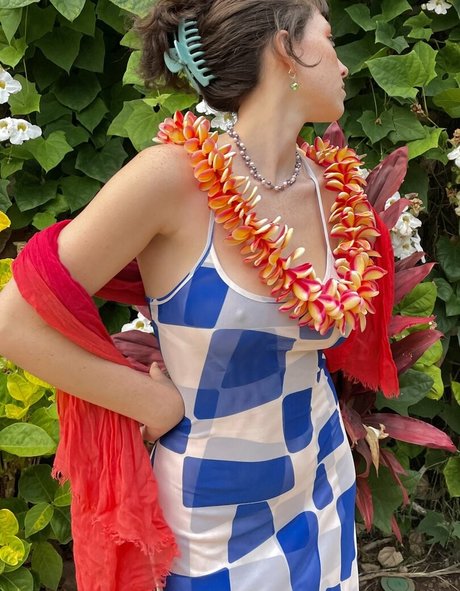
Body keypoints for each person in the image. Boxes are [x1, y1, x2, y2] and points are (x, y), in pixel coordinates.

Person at [0, 1, 398, 590]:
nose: (344, 65)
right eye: (331, 39)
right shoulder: (171, 180)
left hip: (321, 485)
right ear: (287, 50)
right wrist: (152, 404)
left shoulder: (332, 193)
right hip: (211, 520)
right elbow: (13, 322)